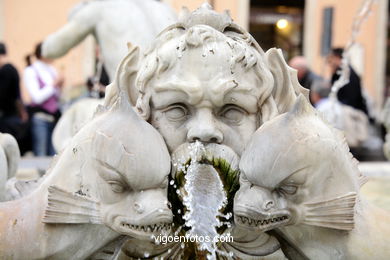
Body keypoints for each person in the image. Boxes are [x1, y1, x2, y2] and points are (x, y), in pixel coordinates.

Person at [24, 43, 63, 156]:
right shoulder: (31, 71)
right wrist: (54, 84)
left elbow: (56, 97)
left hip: (54, 118)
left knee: (54, 155)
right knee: (40, 154)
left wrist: (59, 86)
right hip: (40, 119)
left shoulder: (52, 70)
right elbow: (37, 98)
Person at [0, 42, 29, 153]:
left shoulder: (6, 70)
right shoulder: (12, 69)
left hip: (7, 119)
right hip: (12, 117)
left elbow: (2, 96)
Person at [327, 47, 368, 115]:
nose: (329, 62)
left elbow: (350, 100)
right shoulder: (339, 73)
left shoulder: (349, 75)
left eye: (331, 59)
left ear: (337, 58)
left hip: (352, 115)